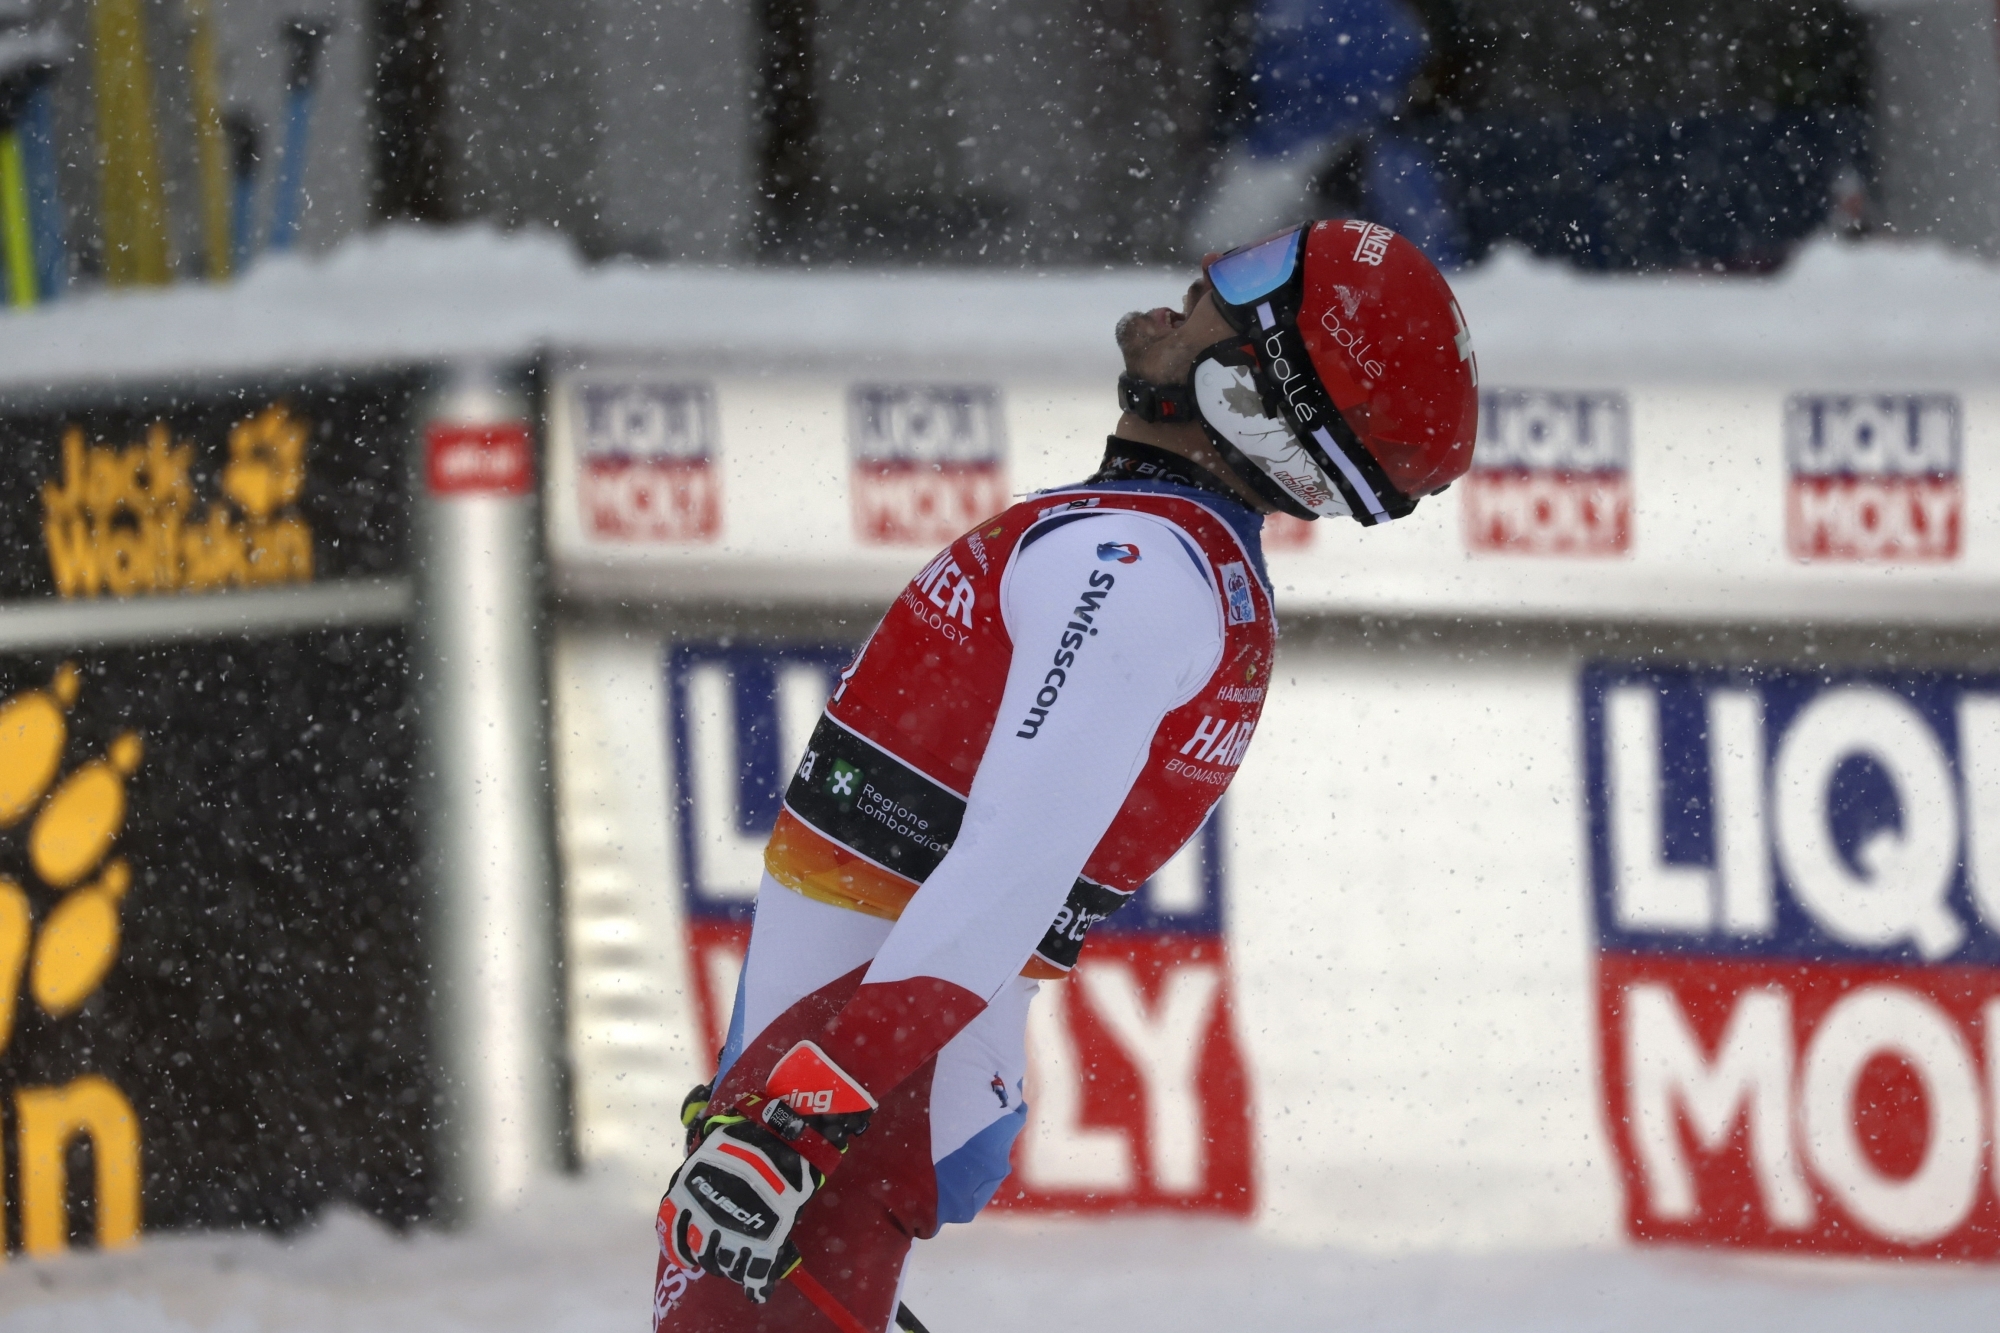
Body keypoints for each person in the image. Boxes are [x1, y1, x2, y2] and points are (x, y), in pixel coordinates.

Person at [651, 218, 1479, 1333]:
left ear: (1246, 395)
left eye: (1220, 299)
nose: (1179, 295)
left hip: (857, 1083)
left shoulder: (1134, 568)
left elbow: (1010, 877)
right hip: (856, 1067)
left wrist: (803, 1110)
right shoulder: (1151, 554)